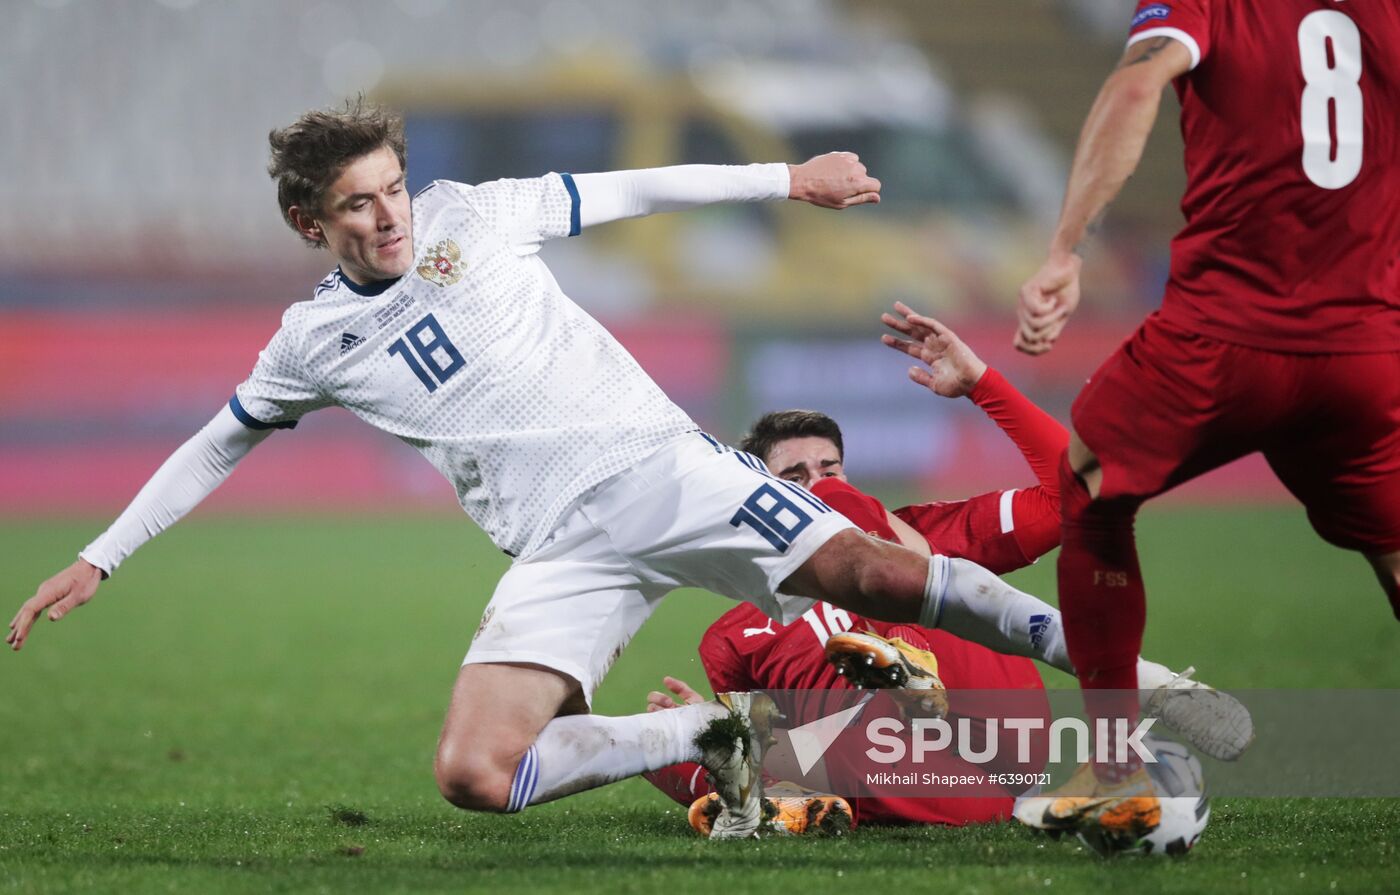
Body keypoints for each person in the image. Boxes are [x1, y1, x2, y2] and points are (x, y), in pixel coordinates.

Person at [5, 100, 1084, 841]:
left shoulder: (473, 215)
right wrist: (102, 556)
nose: (390, 216)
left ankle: (1121, 675)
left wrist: (784, 179)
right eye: (357, 205)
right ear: (309, 222)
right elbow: (217, 440)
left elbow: (625, 188)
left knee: (884, 578)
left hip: (661, 467)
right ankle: (718, 733)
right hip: (561, 547)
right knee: (476, 775)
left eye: (393, 189)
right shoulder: (308, 343)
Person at [1012, 1, 1400, 845]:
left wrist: (1066, 246)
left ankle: (1112, 766)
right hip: (1365, 349)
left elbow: (1135, 84)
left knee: (1090, 488)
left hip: (1217, 342)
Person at [644, 312, 1248, 833]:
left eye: (831, 467)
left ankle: (908, 663)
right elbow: (772, 742)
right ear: (761, 496)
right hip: (914, 777)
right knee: (671, 738)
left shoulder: (917, 530)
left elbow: (1077, 492)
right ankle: (784, 804)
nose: (819, 483)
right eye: (795, 477)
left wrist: (984, 385)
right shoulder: (733, 635)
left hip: (994, 718)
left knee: (852, 531)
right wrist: (712, 740)